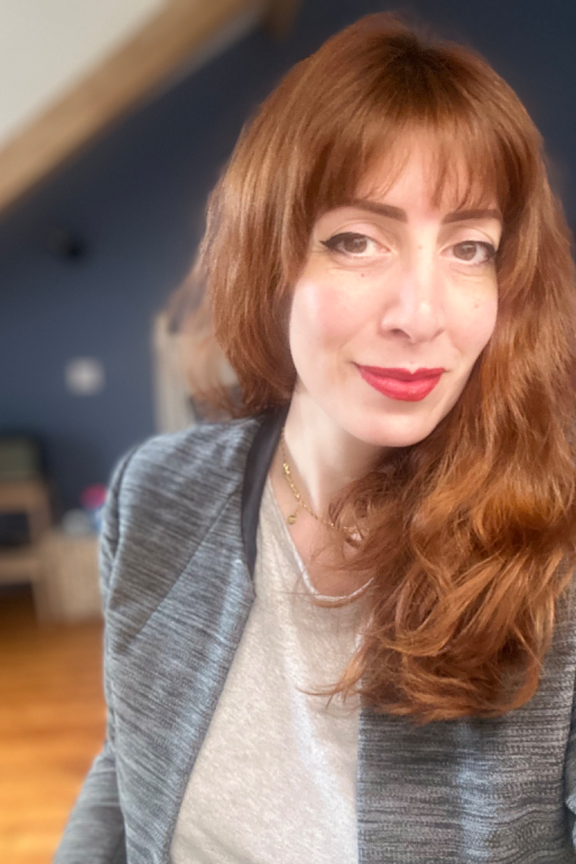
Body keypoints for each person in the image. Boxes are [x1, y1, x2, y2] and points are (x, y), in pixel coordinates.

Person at [55, 12, 576, 864]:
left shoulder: (558, 550)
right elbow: (128, 762)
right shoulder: (154, 492)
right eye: (356, 241)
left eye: (470, 248)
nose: (421, 315)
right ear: (271, 258)